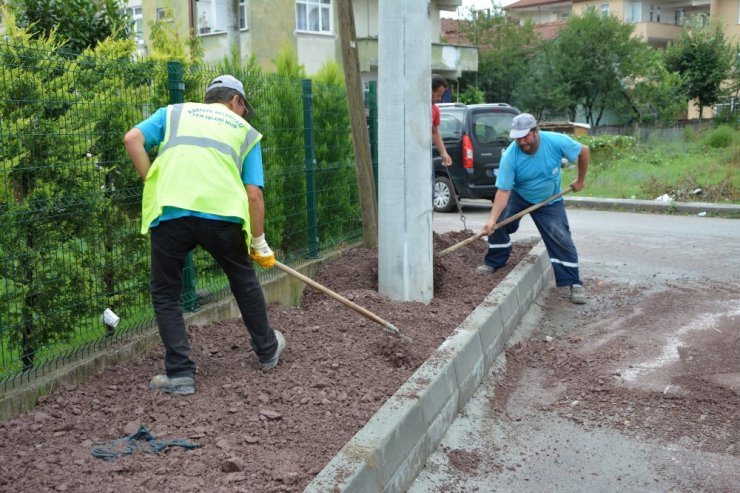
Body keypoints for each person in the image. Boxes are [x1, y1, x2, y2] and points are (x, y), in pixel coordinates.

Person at [123, 74, 286, 396]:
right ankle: (267, 350)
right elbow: (253, 193)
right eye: (244, 108)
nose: (243, 115)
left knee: (166, 292)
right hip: (221, 216)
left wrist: (151, 179)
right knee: (243, 280)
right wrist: (259, 242)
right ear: (235, 101)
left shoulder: (174, 113)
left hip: (171, 211)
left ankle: (180, 374)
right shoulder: (245, 131)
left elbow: (132, 139)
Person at [478, 113, 589, 305]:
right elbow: (503, 191)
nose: (522, 142)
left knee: (561, 236)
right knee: (498, 224)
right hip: (519, 196)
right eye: (517, 138)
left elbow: (584, 151)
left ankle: (574, 282)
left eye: (525, 136)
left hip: (549, 200)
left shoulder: (555, 141)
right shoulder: (510, 156)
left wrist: (580, 180)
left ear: (536, 131)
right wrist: (492, 219)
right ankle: (494, 261)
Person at [431, 73, 452, 167]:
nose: (439, 99)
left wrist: (443, 153)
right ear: (430, 90)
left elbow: (435, 132)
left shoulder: (435, 110)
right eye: (438, 95)